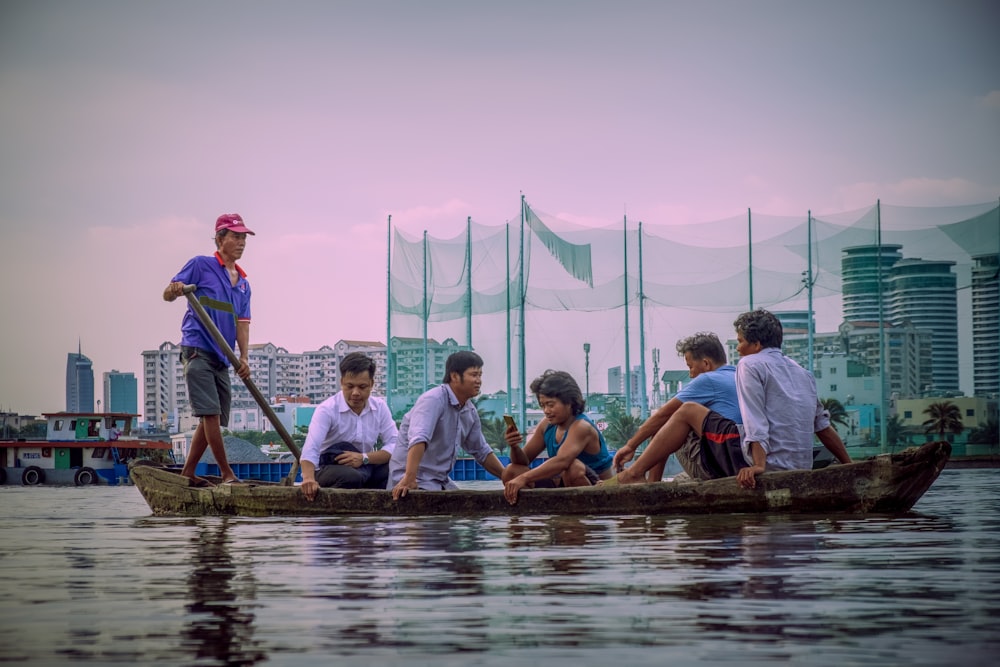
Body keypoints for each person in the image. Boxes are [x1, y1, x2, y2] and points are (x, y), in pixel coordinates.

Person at [163, 213, 255, 486]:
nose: (241, 242)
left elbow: (243, 324)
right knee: (210, 412)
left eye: (243, 238)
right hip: (198, 349)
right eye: (235, 237)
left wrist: (243, 357)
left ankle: (187, 473)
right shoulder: (201, 266)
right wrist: (175, 289)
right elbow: (167, 294)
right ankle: (227, 474)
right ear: (219, 239)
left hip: (221, 356)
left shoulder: (244, 283)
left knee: (212, 418)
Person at [731, 308, 851, 489]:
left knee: (694, 414)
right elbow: (822, 426)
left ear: (756, 344)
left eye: (740, 341)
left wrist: (759, 465)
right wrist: (849, 464)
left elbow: (755, 421)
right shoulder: (803, 372)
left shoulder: (749, 364)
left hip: (770, 467)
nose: (738, 348)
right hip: (802, 468)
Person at [609, 332, 744, 484]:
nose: (691, 374)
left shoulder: (708, 379)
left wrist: (630, 446)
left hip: (723, 463)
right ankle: (651, 481)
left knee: (666, 423)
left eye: (691, 367)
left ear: (706, 364)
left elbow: (662, 415)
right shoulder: (737, 374)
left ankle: (639, 476)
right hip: (741, 456)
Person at [389, 351, 507, 499]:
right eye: (474, 375)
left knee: (468, 507)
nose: (479, 380)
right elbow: (419, 439)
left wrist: (506, 477)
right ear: (455, 376)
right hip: (413, 478)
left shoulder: (469, 410)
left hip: (439, 480)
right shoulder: (433, 400)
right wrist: (409, 478)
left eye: (480, 375)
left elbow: (481, 451)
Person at [502, 370, 614, 504]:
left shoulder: (581, 427)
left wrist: (524, 478)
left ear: (569, 403)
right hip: (562, 483)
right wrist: (514, 446)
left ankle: (581, 520)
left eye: (551, 404)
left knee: (572, 467)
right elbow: (522, 461)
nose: (546, 411)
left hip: (597, 489)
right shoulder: (547, 425)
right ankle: (541, 513)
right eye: (543, 405)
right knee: (511, 471)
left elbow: (563, 461)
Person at [299, 352, 398, 499]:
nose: (356, 393)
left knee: (394, 469)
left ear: (371, 384)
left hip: (364, 466)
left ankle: (374, 503)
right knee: (350, 477)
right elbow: (311, 447)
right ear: (341, 382)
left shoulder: (380, 407)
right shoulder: (327, 409)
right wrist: (308, 479)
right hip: (328, 467)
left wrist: (364, 458)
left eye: (362, 387)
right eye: (350, 386)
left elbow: (395, 444)